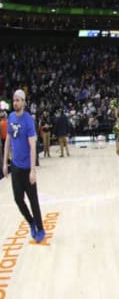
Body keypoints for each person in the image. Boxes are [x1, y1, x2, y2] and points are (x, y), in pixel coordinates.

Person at [2, 90, 45, 242]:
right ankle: (31, 221)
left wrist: (33, 170)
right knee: (18, 199)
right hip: (15, 166)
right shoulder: (11, 117)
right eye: (14, 100)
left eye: (18, 100)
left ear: (23, 102)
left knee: (33, 201)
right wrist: (5, 163)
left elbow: (33, 146)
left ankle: (40, 229)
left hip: (27, 168)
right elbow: (7, 140)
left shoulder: (28, 120)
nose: (15, 102)